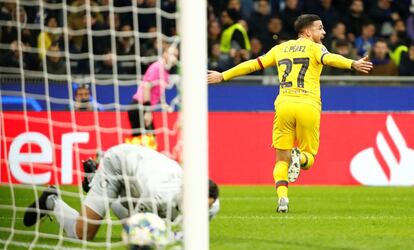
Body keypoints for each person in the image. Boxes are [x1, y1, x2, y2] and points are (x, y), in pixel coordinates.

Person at [208, 14, 372, 213]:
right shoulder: (315, 48)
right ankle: (299, 159)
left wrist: (223, 75)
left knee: (281, 159)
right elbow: (329, 58)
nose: (324, 32)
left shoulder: (280, 48)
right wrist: (352, 64)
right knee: (308, 158)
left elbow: (252, 64)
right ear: (307, 31)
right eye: (320, 28)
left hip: (284, 105)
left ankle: (283, 199)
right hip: (308, 105)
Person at [23, 144, 220, 241]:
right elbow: (135, 229)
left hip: (142, 170)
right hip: (117, 165)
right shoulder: (158, 194)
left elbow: (189, 235)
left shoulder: (211, 205)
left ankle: (93, 179)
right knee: (82, 234)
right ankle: (51, 200)